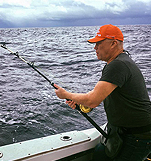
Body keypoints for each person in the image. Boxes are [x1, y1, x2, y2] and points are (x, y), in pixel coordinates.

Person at [54, 24, 151, 160]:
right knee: (99, 153)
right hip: (122, 132)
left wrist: (66, 95)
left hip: (136, 137)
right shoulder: (118, 62)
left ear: (113, 43)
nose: (95, 48)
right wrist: (81, 104)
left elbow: (93, 100)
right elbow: (101, 96)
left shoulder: (118, 65)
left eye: (98, 43)